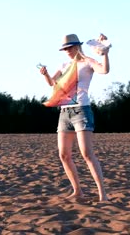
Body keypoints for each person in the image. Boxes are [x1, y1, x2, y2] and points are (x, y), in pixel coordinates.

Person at [39, 33, 110, 202]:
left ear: (77, 46)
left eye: (69, 48)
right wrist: (45, 75)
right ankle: (77, 191)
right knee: (64, 155)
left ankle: (103, 195)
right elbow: (52, 83)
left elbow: (105, 70)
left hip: (81, 110)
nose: (67, 51)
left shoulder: (87, 62)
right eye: (65, 49)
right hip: (65, 113)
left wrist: (105, 52)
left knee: (87, 153)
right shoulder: (64, 65)